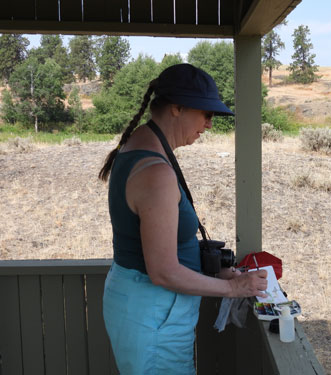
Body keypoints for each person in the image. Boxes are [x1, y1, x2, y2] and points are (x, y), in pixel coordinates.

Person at [98, 63, 268, 375]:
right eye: (206, 113)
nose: (210, 124)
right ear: (176, 108)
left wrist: (219, 274)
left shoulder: (140, 147)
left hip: (145, 307)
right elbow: (163, 272)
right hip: (154, 314)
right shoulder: (155, 172)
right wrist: (235, 288)